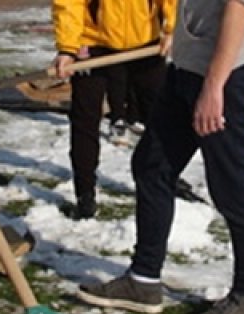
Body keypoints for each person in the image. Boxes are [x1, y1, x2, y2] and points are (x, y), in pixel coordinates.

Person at [76, 0, 244, 314]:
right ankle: (143, 280)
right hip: (185, 72)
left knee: (232, 188)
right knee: (152, 166)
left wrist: (213, 88)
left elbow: (239, 10)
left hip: (225, 79)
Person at [52, 0, 177, 219]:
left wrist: (172, 29)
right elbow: (69, 3)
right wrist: (67, 48)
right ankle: (85, 195)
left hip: (145, 40)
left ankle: (168, 178)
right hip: (92, 43)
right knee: (85, 119)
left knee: (159, 115)